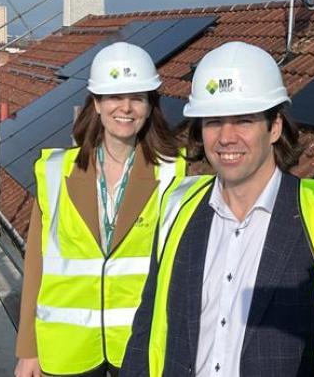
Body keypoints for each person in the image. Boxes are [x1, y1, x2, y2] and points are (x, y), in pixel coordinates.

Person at [121, 41, 314, 377]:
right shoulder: (177, 207)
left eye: (243, 121)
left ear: (275, 127)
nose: (226, 137)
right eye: (213, 122)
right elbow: (147, 325)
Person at [15, 42, 186, 377]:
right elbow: (36, 263)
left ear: (150, 107)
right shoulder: (54, 172)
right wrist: (28, 349)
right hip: (67, 346)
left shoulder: (173, 173)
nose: (125, 107)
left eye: (137, 97)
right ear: (96, 103)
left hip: (140, 344)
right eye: (113, 96)